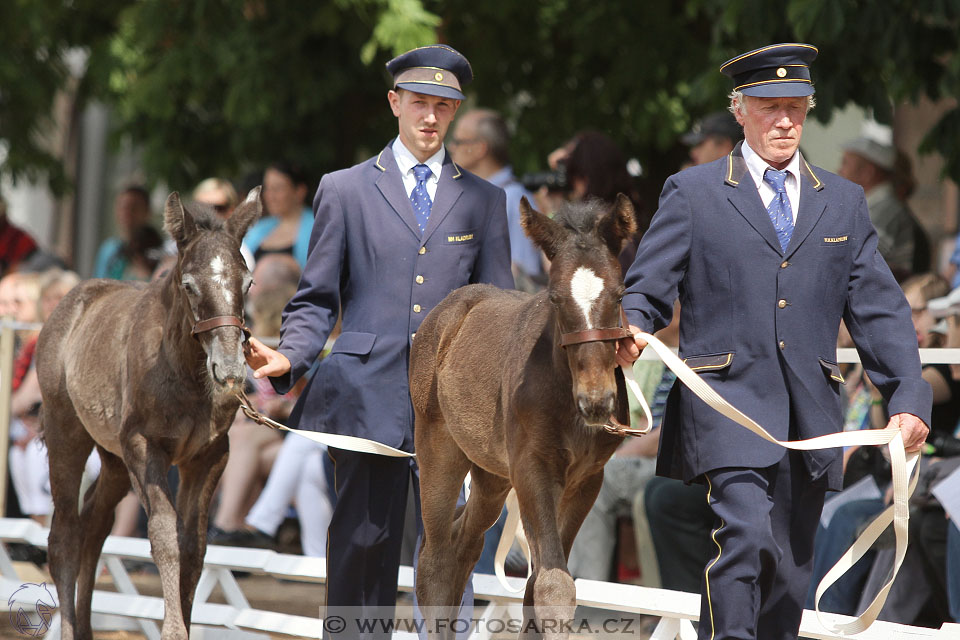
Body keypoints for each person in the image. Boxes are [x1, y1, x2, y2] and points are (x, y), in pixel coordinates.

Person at [616, 43, 930, 640]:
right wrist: (635, 326)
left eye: (796, 106)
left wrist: (909, 395)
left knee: (788, 571)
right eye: (768, 107)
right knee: (746, 540)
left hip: (813, 414)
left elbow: (880, 309)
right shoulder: (694, 192)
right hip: (725, 405)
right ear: (740, 110)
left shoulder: (843, 201)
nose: (784, 120)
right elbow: (648, 288)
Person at [243, 44, 513, 637]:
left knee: (448, 549)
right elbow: (317, 298)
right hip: (365, 393)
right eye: (419, 102)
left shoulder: (487, 201)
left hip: (451, 406)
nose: (431, 117)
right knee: (362, 544)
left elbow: (497, 311)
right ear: (395, 103)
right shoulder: (343, 189)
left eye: (444, 106)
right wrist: (290, 354)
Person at [449, 108, 543, 290]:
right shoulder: (473, 195)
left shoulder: (513, 199)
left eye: (458, 142)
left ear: (479, 149)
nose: (451, 148)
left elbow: (524, 281)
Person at [839, 133, 930, 279]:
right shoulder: (874, 206)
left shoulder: (885, 209)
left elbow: (856, 259)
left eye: (845, 163)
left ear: (868, 173)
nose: (839, 171)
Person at [242, 162, 313, 269]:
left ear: (300, 191)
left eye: (278, 188)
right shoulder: (257, 229)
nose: (270, 196)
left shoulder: (317, 228)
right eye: (267, 188)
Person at [94, 185, 160, 280]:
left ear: (147, 211)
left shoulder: (157, 250)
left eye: (134, 207)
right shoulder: (109, 249)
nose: (127, 213)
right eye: (123, 207)